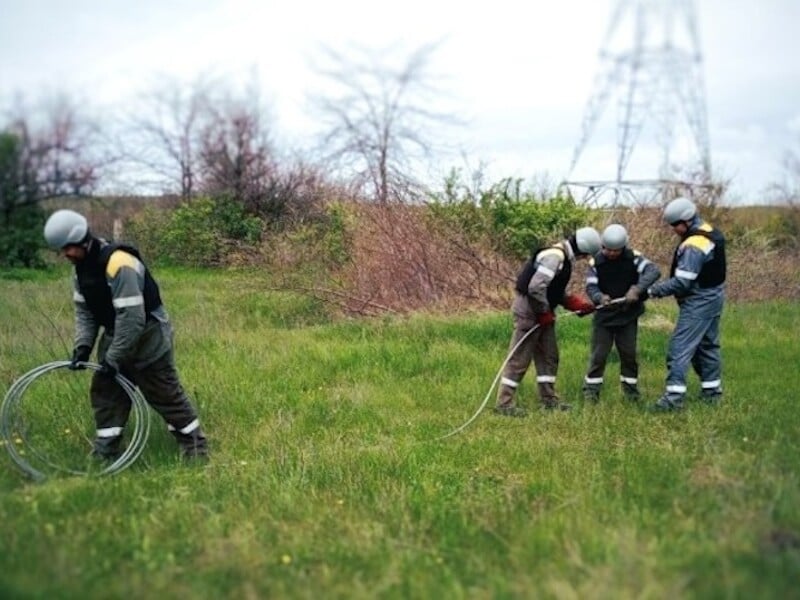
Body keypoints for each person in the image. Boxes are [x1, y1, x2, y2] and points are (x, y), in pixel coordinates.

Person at [43, 209, 209, 459]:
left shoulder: (119, 263)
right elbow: (86, 313)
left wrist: (113, 357)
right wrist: (83, 347)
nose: (65, 254)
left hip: (148, 335)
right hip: (117, 334)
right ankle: (106, 452)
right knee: (107, 392)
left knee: (164, 393)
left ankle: (196, 449)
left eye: (68, 248)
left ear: (81, 240)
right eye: (61, 250)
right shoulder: (81, 270)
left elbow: (132, 319)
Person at [494, 227, 601, 416]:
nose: (584, 258)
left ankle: (549, 400)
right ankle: (504, 404)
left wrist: (573, 303)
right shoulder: (555, 257)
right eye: (586, 255)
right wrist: (543, 312)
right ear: (582, 250)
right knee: (519, 358)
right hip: (530, 310)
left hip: (542, 309)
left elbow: (552, 290)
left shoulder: (562, 258)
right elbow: (535, 288)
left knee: (549, 356)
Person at [645, 197, 726, 411]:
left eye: (675, 225)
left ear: (686, 221)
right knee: (707, 346)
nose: (673, 229)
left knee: (679, 348)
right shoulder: (710, 231)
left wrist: (652, 291)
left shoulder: (694, 245)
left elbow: (682, 282)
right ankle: (712, 393)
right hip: (714, 296)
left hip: (699, 301)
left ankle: (673, 399)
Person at [582, 224, 661, 403]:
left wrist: (637, 289)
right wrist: (599, 297)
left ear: (623, 247)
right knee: (599, 356)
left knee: (629, 354)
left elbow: (653, 271)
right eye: (606, 249)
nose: (610, 253)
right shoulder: (596, 262)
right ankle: (591, 393)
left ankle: (631, 393)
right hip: (604, 317)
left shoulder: (635, 258)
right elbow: (591, 286)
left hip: (628, 316)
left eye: (615, 250)